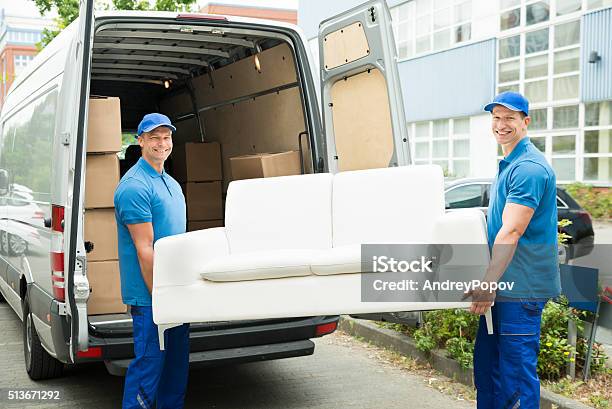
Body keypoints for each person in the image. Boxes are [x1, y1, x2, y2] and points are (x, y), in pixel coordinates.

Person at [468, 92, 561, 409]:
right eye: (495, 117)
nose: (501, 124)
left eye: (509, 117)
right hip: (505, 286)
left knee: (514, 378)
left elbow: (512, 230)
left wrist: (488, 282)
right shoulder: (510, 165)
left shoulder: (529, 169)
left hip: (520, 289)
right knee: (490, 371)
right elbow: (497, 222)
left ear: (526, 121)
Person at [114, 113, 189, 409]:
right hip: (152, 300)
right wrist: (162, 298)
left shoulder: (169, 182)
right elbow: (145, 249)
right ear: (140, 140)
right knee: (148, 371)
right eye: (154, 137)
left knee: (175, 371)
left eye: (166, 137)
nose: (162, 143)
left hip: (176, 295)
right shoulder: (134, 187)